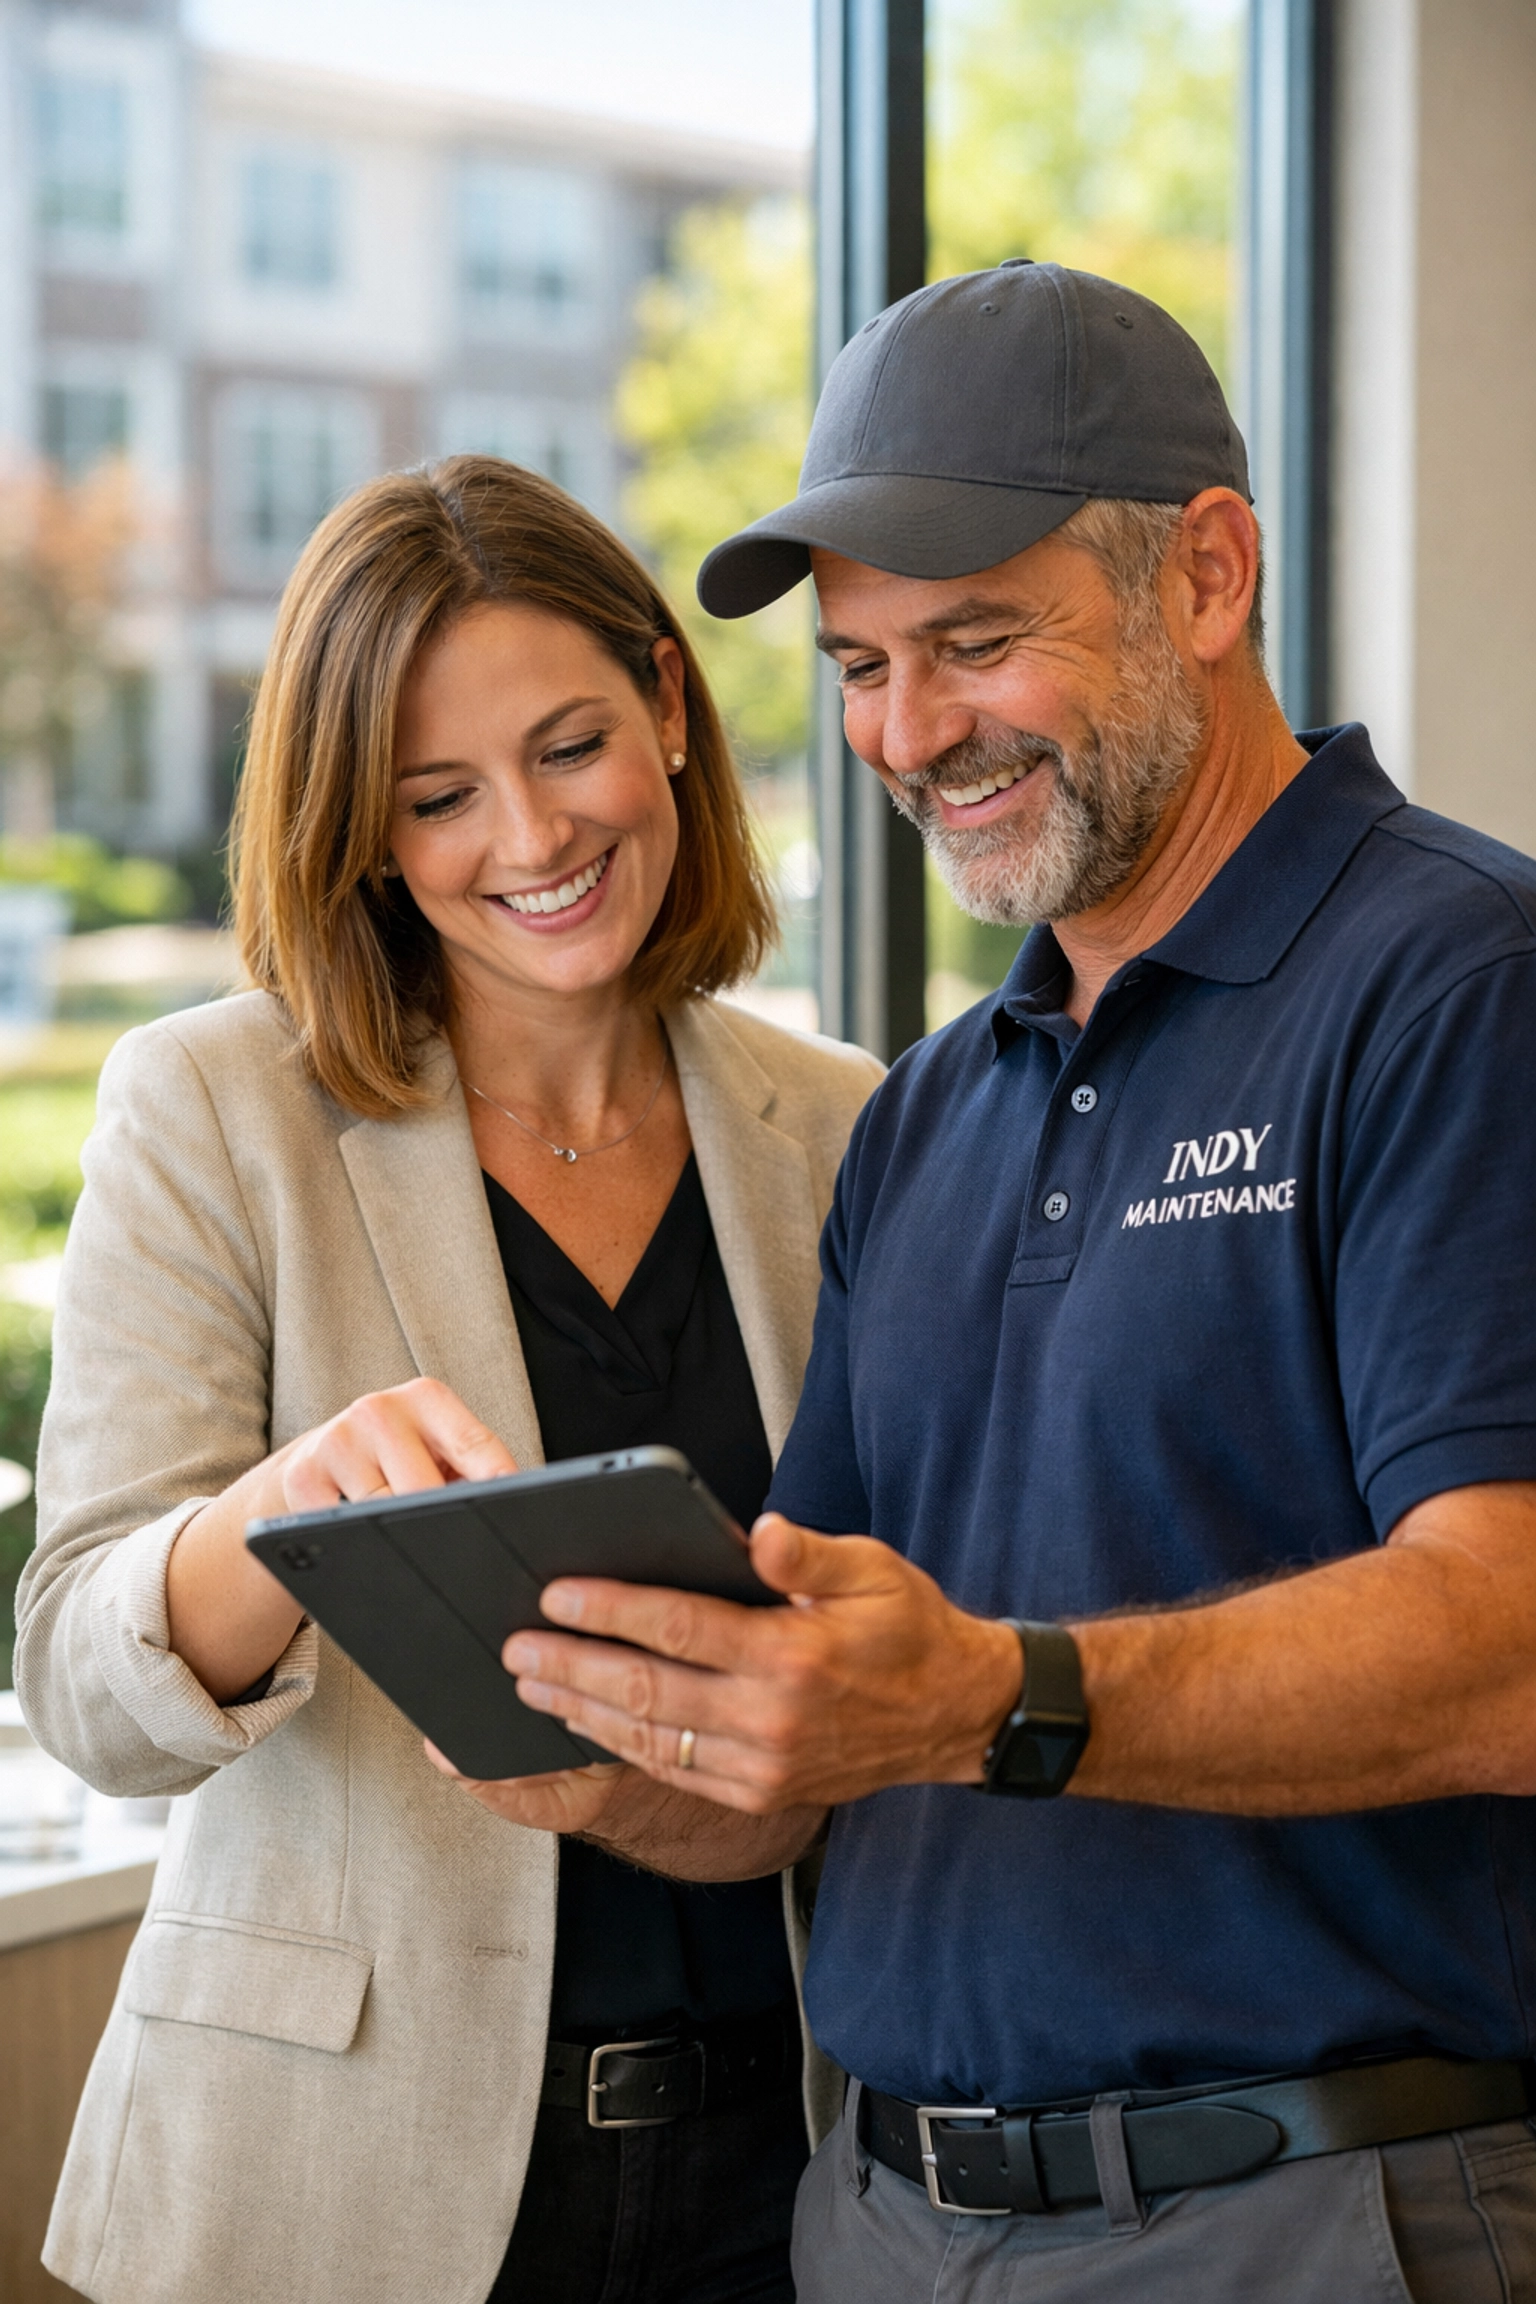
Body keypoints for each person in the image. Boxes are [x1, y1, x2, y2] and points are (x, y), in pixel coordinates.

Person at [450, 266, 1536, 2300]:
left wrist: (997, 1696)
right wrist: (629, 1753)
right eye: (860, 666)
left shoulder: (1462, 987)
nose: (908, 733)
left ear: (1207, 576)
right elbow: (831, 1753)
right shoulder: (935, 1113)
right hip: (877, 2225)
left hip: (1303, 2219)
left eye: (973, 643)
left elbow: (1513, 1638)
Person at [15, 455, 880, 2304]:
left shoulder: (846, 1128)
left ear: (667, 703)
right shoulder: (214, 1106)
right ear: (362, 827)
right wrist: (281, 1519)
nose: (530, 838)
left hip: (793, 2176)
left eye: (570, 746)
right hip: (343, 2181)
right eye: (438, 796)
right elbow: (81, 1678)